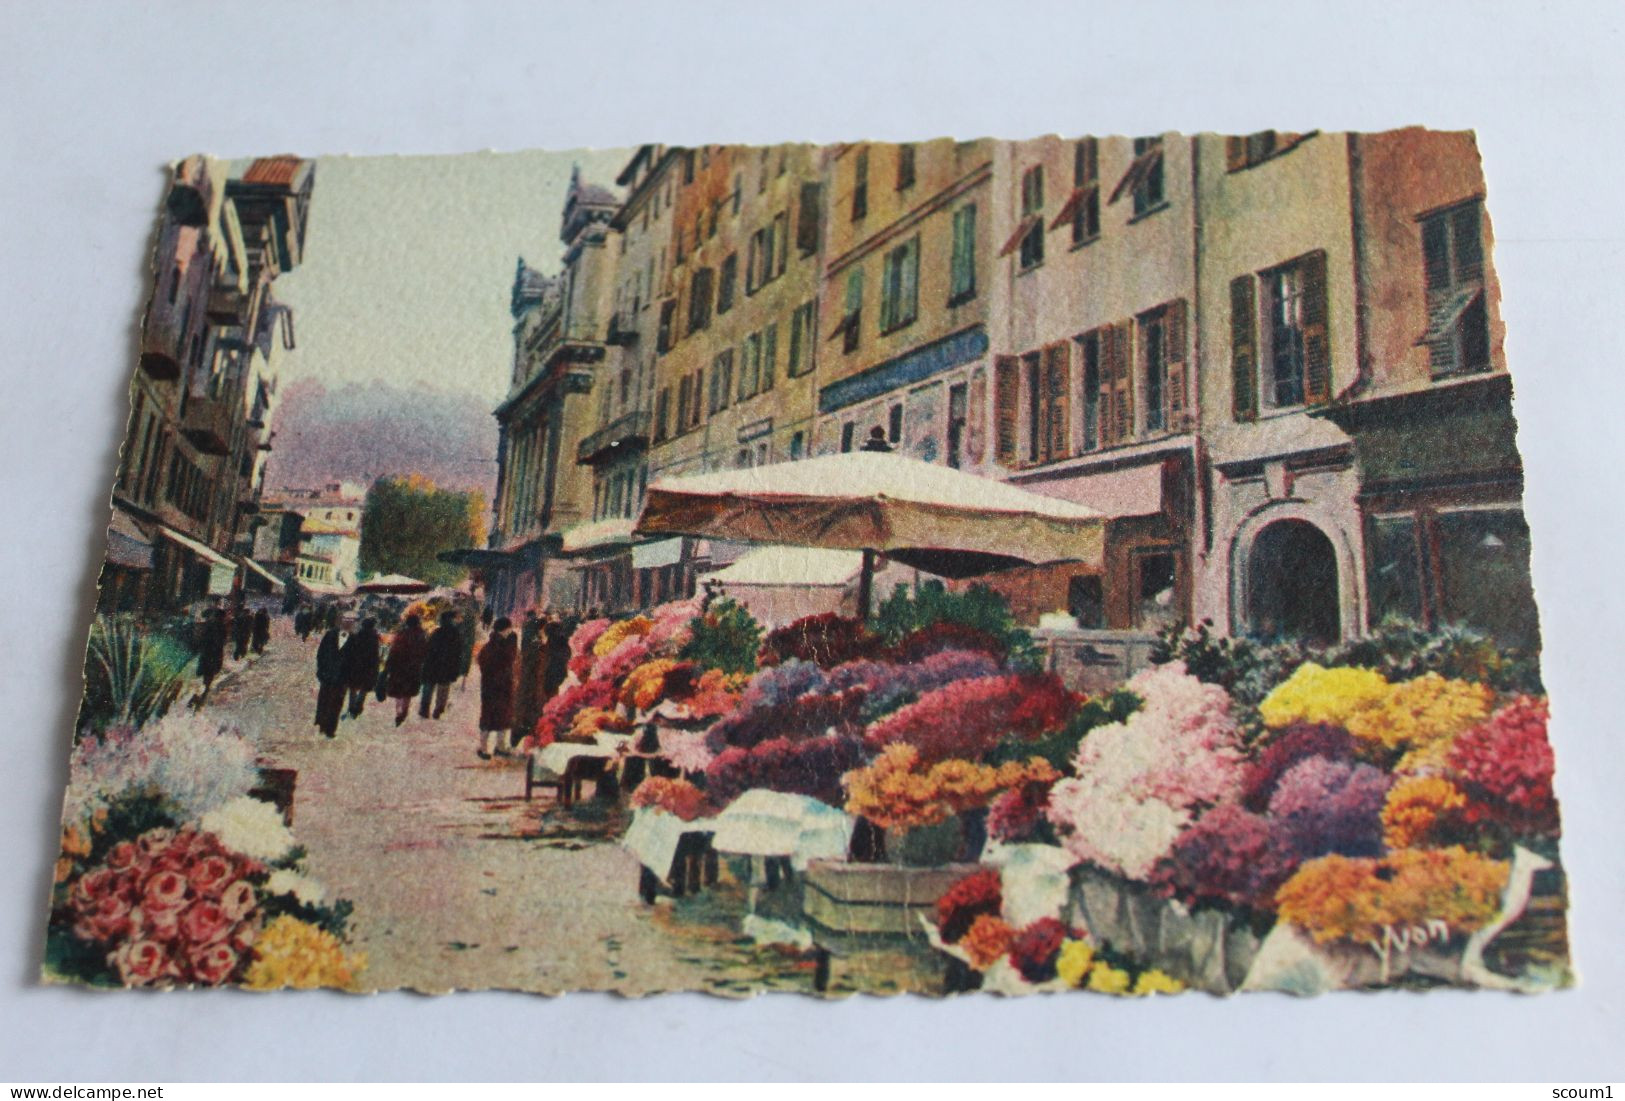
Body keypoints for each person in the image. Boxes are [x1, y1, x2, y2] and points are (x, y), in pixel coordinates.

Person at [476, 617, 518, 759]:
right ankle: (488, 747)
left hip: (493, 686)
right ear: (504, 629)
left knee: (497, 715)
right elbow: (509, 659)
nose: (511, 631)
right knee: (498, 715)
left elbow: (481, 661)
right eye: (509, 628)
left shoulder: (489, 646)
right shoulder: (501, 646)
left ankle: (490, 747)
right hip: (498, 686)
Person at [383, 613, 428, 725]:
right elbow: (424, 652)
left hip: (400, 667)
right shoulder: (421, 635)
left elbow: (394, 651)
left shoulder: (401, 634)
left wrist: (389, 665)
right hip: (413, 668)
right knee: (408, 692)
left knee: (398, 691)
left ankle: (398, 712)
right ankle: (404, 712)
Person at [419, 612, 462, 720]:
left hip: (433, 664)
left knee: (428, 686)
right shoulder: (456, 634)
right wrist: (456, 668)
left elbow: (428, 649)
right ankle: (439, 708)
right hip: (447, 666)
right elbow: (458, 653)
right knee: (443, 688)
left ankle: (424, 708)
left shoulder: (436, 633)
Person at [512, 610, 545, 747]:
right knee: (529, 705)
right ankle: (524, 732)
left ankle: (521, 733)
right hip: (531, 677)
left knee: (525, 705)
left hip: (528, 676)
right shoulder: (534, 639)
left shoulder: (528, 630)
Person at [341, 616, 382, 719]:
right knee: (364, 688)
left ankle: (351, 707)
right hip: (369, 667)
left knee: (353, 687)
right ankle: (358, 706)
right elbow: (375, 655)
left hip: (356, 665)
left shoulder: (356, 636)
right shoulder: (375, 638)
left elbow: (349, 652)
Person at [314, 619, 348, 738]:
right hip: (327, 675)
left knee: (336, 703)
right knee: (325, 700)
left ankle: (330, 729)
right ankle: (322, 724)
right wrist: (321, 670)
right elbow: (321, 653)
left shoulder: (354, 638)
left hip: (342, 678)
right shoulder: (330, 634)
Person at [192, 607, 227, 707]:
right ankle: (201, 698)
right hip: (213, 656)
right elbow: (221, 642)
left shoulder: (209, 626)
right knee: (207, 678)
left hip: (207, 655)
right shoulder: (220, 627)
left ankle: (199, 698)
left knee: (204, 676)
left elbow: (201, 640)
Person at [543, 614, 572, 702]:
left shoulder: (550, 641)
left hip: (551, 669)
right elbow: (568, 653)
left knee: (550, 690)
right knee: (555, 689)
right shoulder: (562, 639)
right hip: (559, 668)